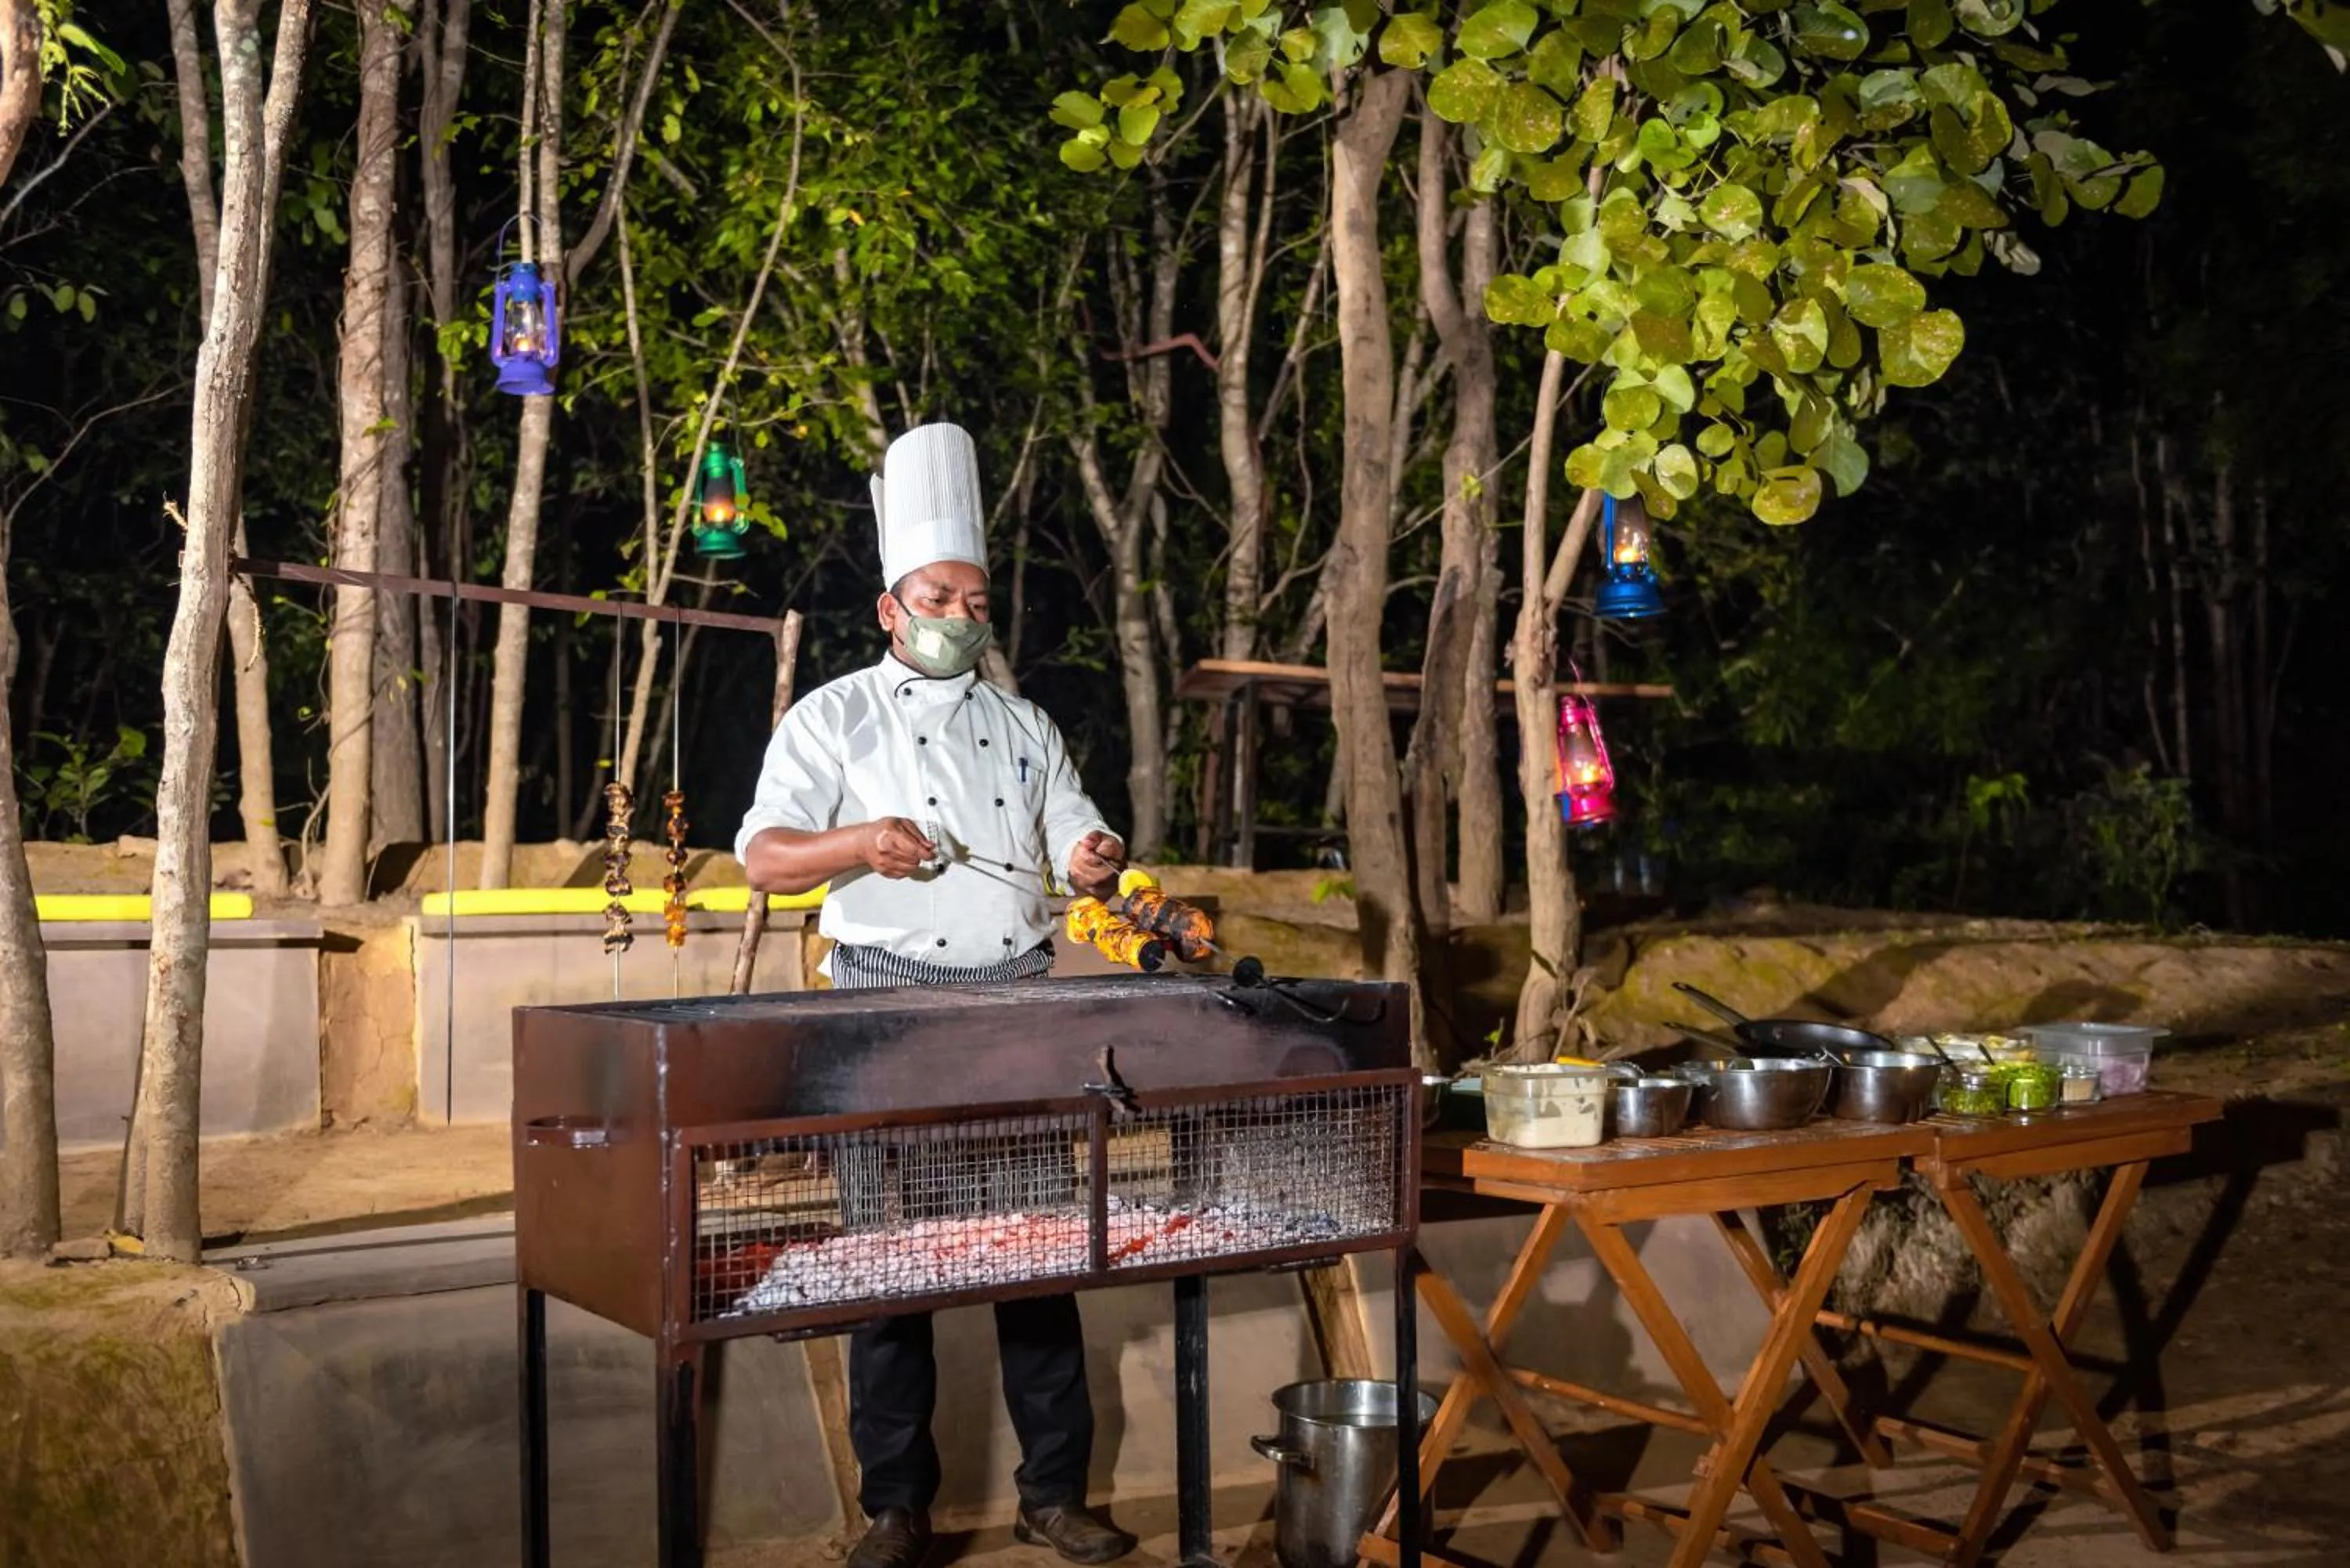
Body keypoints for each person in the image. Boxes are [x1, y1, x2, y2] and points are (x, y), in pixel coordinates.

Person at [736, 422, 1136, 1568]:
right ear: (890, 609)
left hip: (1013, 1004)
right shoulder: (835, 717)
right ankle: (894, 1505)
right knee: (888, 1266)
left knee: (1040, 1258)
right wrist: (860, 840)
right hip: (886, 1012)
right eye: (939, 596)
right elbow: (762, 857)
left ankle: (1054, 1492)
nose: (962, 614)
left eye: (976, 598)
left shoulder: (1024, 723)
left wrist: (1096, 850)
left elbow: (1071, 829)